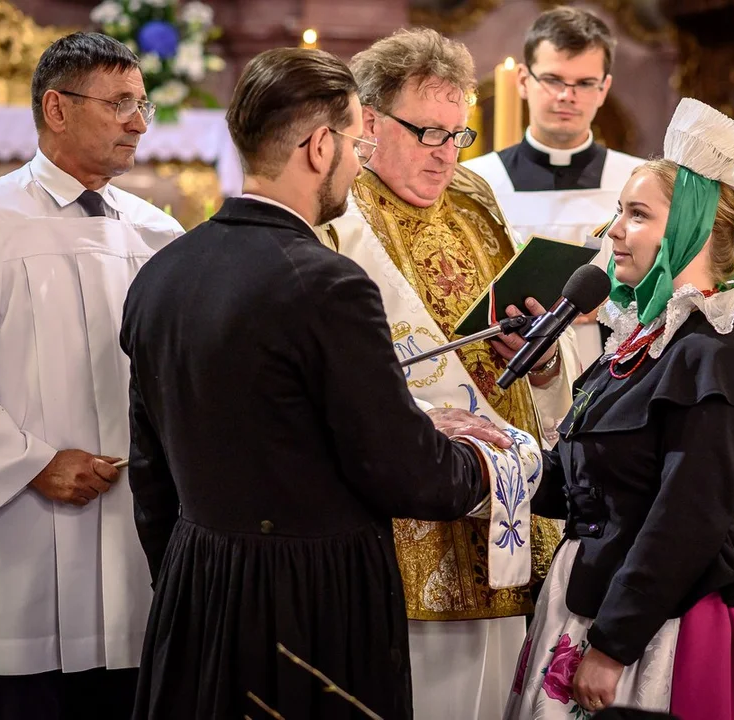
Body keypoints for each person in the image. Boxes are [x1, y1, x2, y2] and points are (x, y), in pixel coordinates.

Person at [121, 48, 526, 720]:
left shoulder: (165, 273)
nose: (359, 159)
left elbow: (150, 473)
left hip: (195, 587)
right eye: (356, 142)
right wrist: (493, 457)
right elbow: (408, 477)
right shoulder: (329, 285)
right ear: (318, 146)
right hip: (310, 605)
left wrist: (190, 577)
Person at [504, 98, 734, 720]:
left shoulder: (717, 354)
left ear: (689, 225)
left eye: (636, 215)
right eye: (618, 213)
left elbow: (688, 514)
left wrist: (612, 644)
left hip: (663, 626)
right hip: (588, 595)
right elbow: (582, 485)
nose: (614, 231)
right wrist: (486, 459)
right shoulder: (644, 339)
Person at [330, 28, 581, 720]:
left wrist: (542, 358)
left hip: (506, 504)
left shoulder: (471, 198)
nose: (446, 154)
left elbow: (523, 341)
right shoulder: (336, 211)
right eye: (428, 133)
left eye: (456, 134)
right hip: (405, 521)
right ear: (368, 123)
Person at [0, 32, 181, 720]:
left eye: (141, 105)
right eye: (120, 104)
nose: (139, 124)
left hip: (136, 531)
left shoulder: (156, 232)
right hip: (23, 523)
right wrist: (31, 464)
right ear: (57, 108)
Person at [465, 6, 643, 364]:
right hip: (504, 363)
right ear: (523, 81)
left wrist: (606, 308)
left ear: (604, 88)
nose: (566, 96)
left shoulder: (638, 181)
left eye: (584, 83)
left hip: (609, 367)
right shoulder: (478, 181)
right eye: (553, 79)